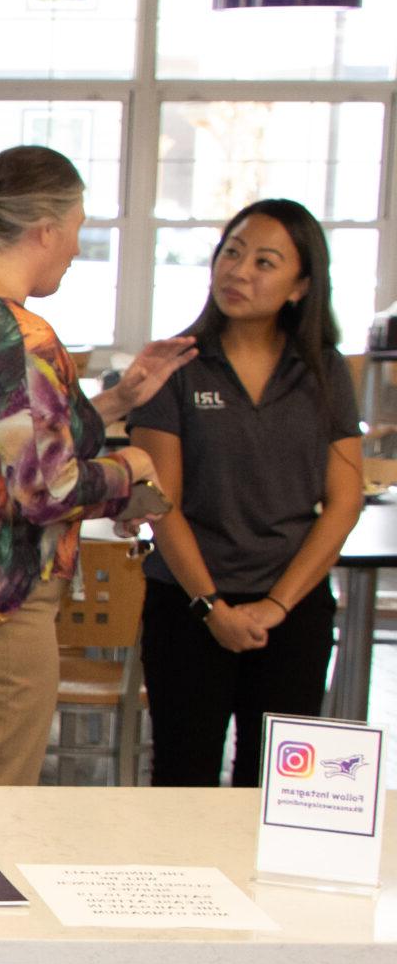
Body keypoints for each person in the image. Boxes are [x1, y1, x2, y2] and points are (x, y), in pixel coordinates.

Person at [0, 145, 190, 787]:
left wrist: (118, 401)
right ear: (46, 230)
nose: (76, 248)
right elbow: (46, 489)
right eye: (76, 229)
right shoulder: (21, 334)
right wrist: (130, 470)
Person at [129, 199, 366, 785]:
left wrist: (277, 605)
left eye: (265, 262)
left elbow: (344, 501)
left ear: (300, 286)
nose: (238, 272)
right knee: (184, 780)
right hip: (188, 605)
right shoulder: (175, 365)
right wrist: (213, 607)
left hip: (292, 608)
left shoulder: (323, 370)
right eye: (232, 253)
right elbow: (163, 503)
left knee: (279, 791)